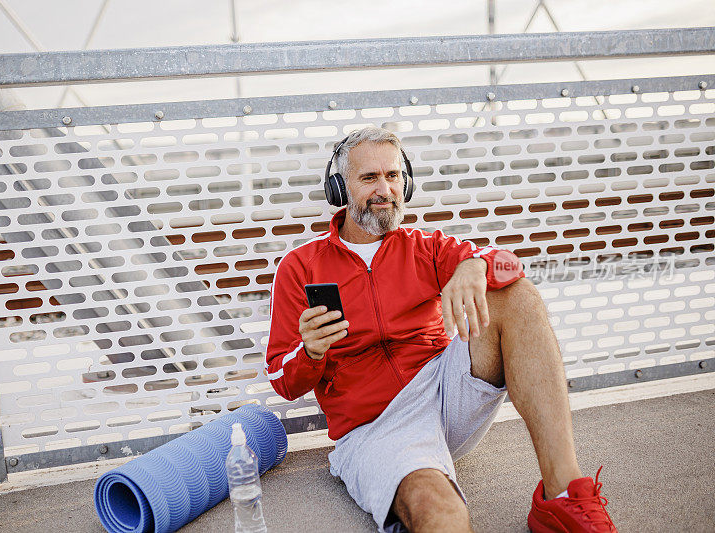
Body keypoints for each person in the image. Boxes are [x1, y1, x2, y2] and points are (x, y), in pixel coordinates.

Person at [264, 126, 617, 533]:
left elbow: (511, 266)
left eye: (393, 176)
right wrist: (310, 351)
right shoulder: (300, 266)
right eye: (369, 178)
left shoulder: (424, 246)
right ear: (339, 189)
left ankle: (562, 494)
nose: (385, 189)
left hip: (445, 392)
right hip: (377, 425)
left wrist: (478, 264)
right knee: (441, 514)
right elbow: (281, 379)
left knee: (516, 294)